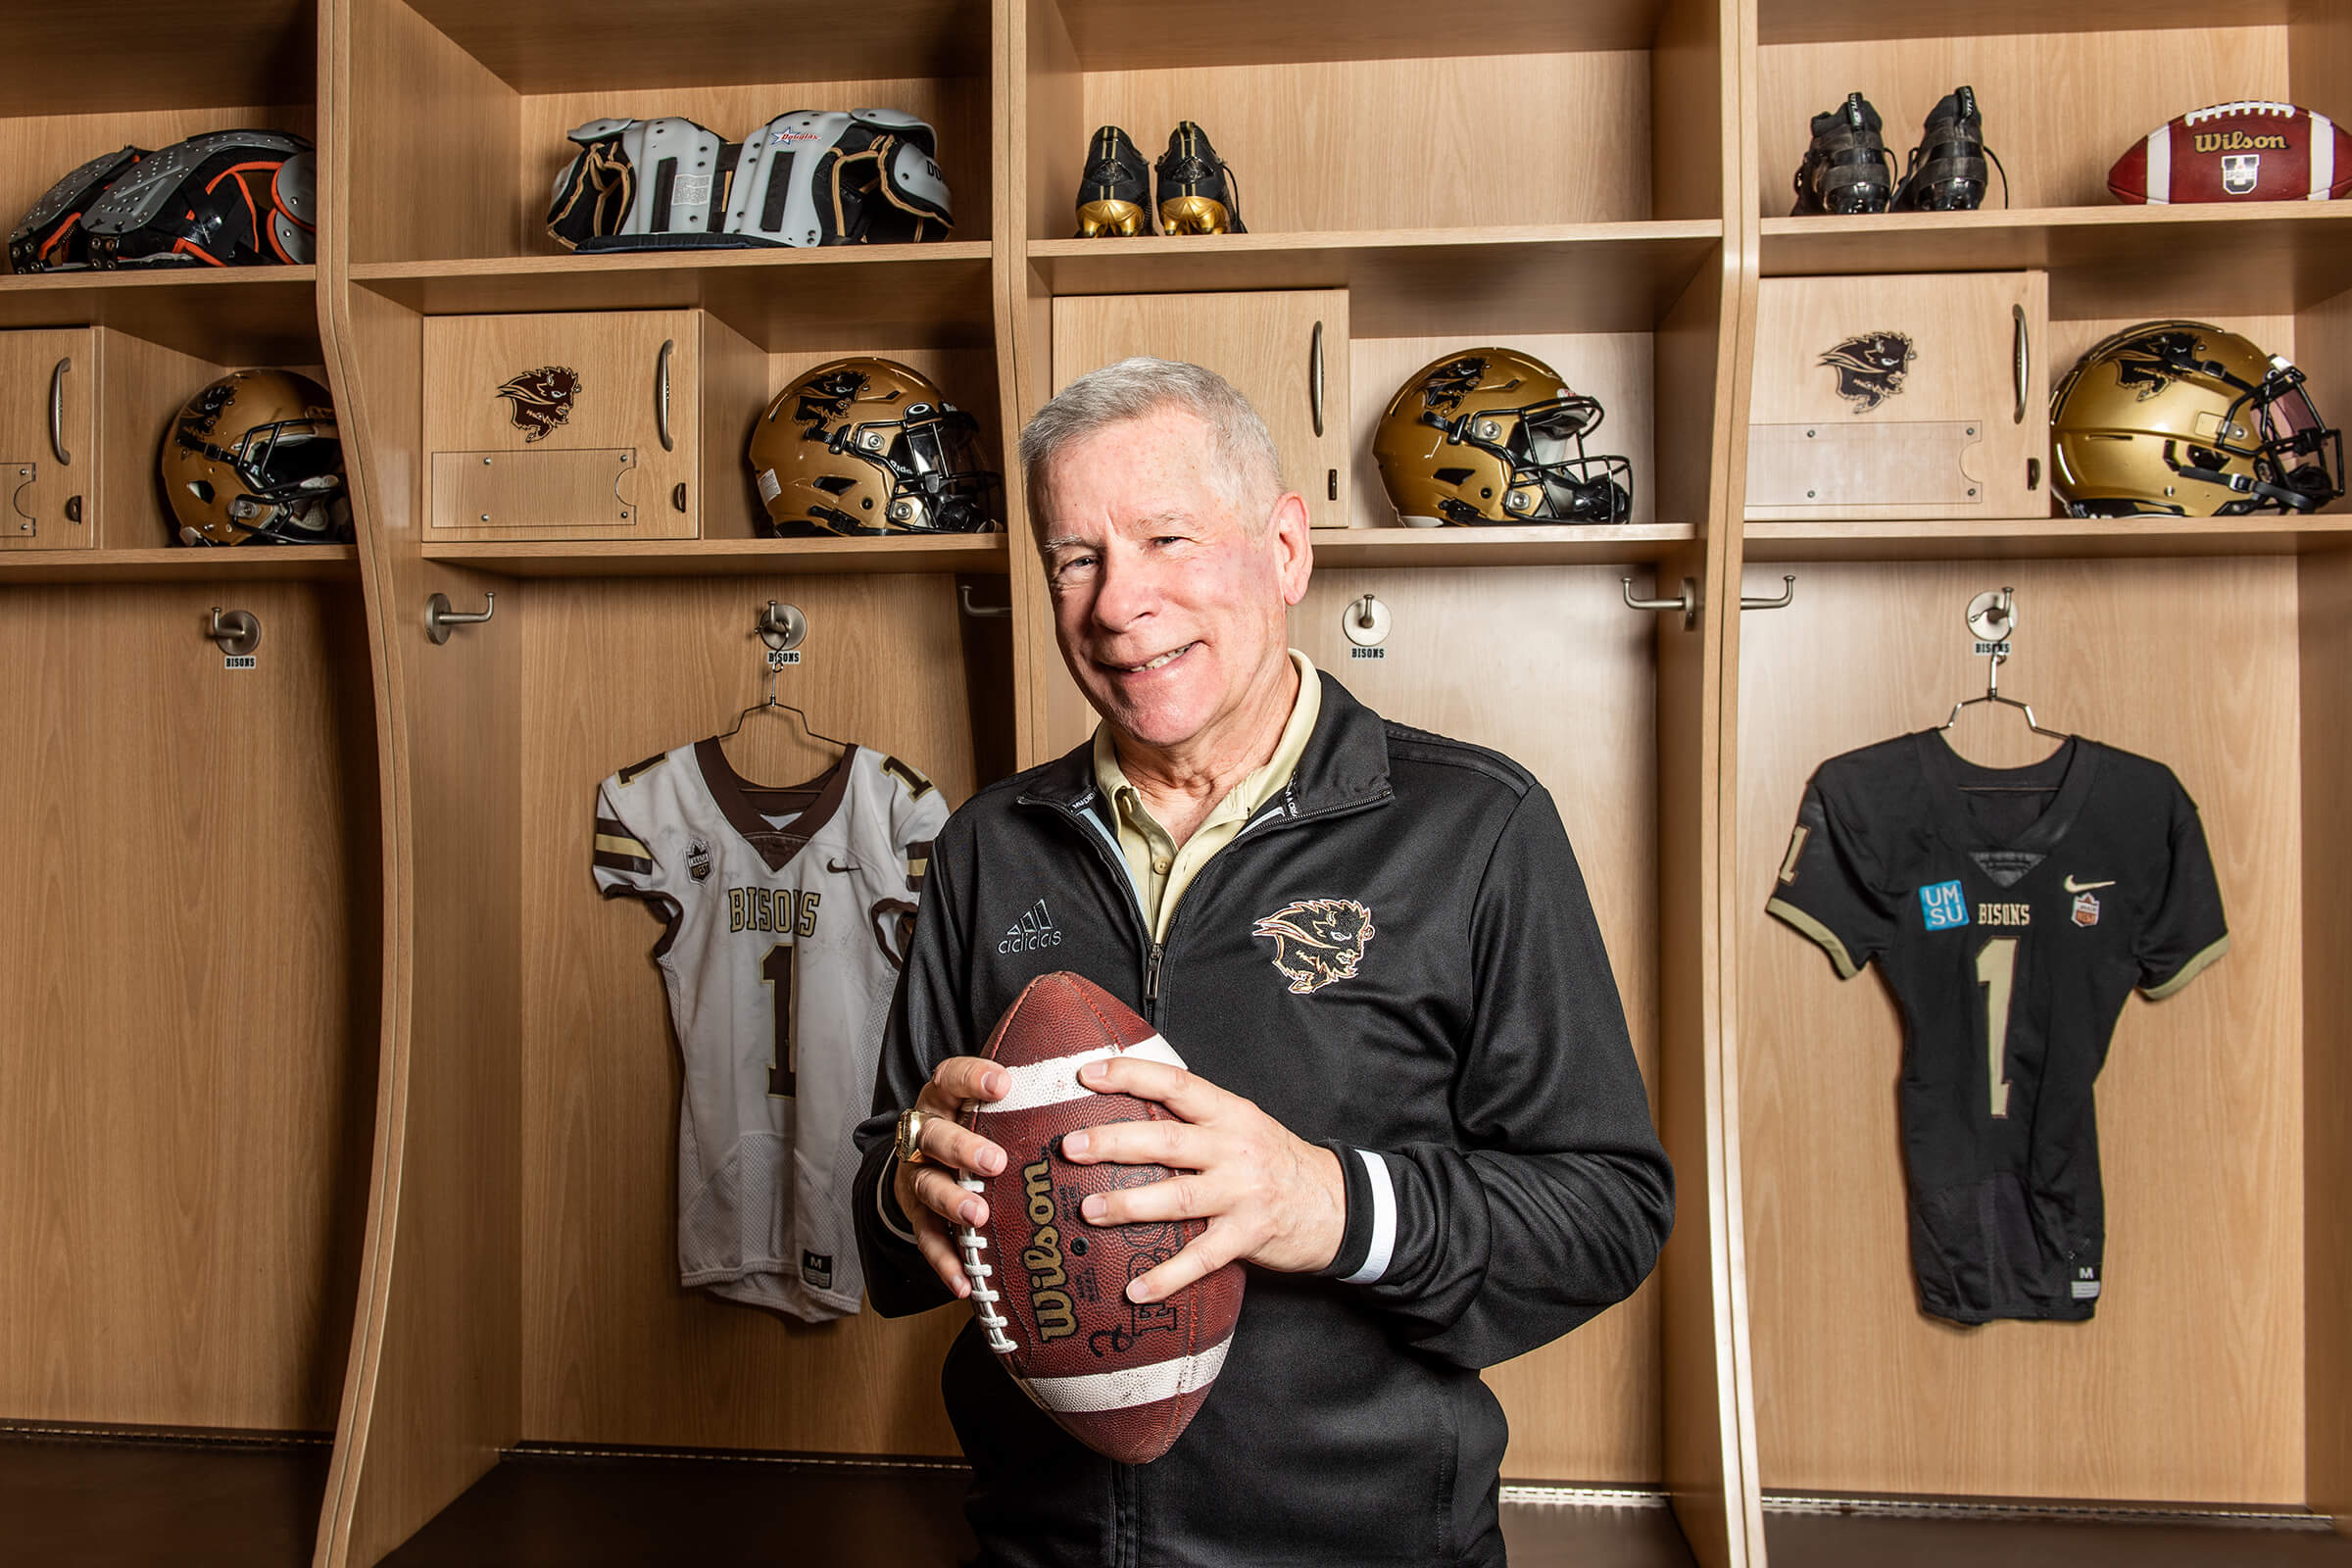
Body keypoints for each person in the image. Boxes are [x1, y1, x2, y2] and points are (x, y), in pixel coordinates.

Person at [853, 357, 1672, 1566]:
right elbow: (885, 1215)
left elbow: (1609, 1211)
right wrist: (907, 1185)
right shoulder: (990, 841)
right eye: (1075, 559)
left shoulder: (1475, 827)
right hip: (1041, 1546)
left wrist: (1324, 1201)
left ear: (1286, 549)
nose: (1118, 603)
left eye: (1168, 539)